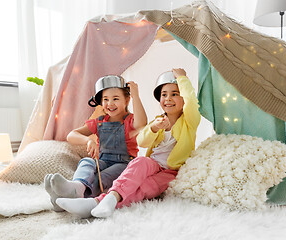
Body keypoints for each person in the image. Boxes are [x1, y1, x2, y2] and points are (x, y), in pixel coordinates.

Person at [56, 68, 201, 218]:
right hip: (153, 164)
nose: (168, 99)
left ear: (183, 97)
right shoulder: (158, 120)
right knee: (139, 162)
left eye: (175, 94)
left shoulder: (189, 121)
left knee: (145, 188)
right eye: (164, 95)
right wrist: (153, 128)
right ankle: (104, 197)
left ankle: (97, 202)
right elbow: (142, 142)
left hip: (170, 171)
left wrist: (182, 79)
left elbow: (191, 101)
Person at [44, 75, 147, 212]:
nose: (110, 103)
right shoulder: (99, 122)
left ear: (127, 100)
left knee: (101, 178)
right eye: (106, 99)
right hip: (103, 160)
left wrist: (136, 96)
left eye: (115, 99)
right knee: (86, 162)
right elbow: (71, 135)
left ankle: (67, 198)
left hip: (123, 164)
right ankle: (77, 187)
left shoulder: (130, 121)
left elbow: (142, 123)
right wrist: (88, 140)